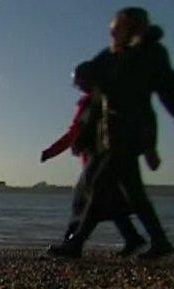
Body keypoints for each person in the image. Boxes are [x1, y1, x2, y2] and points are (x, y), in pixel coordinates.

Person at [50, 7, 174, 259]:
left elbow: (171, 92)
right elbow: (92, 84)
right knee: (134, 192)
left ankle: (76, 244)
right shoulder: (110, 55)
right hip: (110, 134)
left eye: (115, 29)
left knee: (97, 186)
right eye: (110, 30)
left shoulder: (152, 55)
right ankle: (159, 240)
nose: (111, 34)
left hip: (132, 131)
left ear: (132, 28)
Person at [41, 61, 146, 257]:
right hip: (98, 160)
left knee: (82, 202)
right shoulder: (91, 102)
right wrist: (51, 151)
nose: (77, 86)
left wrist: (53, 151)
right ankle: (132, 238)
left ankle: (72, 244)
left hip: (100, 161)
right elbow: (74, 133)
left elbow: (77, 133)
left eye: (78, 81)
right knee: (110, 205)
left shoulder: (101, 101)